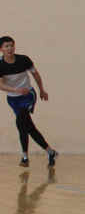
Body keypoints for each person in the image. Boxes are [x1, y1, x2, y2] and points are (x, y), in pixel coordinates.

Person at [0, 36, 57, 167]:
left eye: (11, 45)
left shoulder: (24, 60)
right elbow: (1, 85)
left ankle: (25, 157)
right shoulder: (0, 65)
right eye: (6, 46)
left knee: (21, 121)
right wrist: (16, 90)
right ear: (1, 49)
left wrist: (41, 90)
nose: (10, 48)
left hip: (28, 95)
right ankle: (50, 151)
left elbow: (35, 74)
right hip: (13, 99)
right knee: (28, 127)